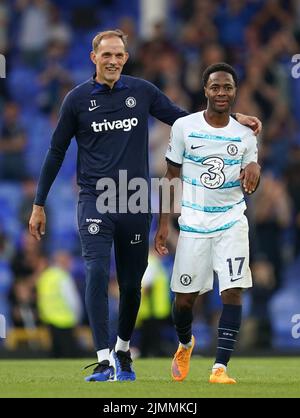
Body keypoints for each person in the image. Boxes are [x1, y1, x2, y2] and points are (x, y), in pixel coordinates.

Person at [29, 30, 261, 382]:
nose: (113, 60)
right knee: (95, 270)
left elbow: (185, 121)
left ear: (125, 57)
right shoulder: (76, 100)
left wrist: (233, 120)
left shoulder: (141, 91)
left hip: (135, 196)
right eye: (106, 54)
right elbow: (56, 151)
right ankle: (104, 358)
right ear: (94, 58)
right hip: (96, 197)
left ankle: (123, 350)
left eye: (119, 55)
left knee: (132, 283)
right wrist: (39, 203)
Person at [155, 63, 261, 384]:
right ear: (205, 91)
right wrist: (163, 225)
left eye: (227, 87)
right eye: (215, 87)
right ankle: (186, 343)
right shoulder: (185, 127)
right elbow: (171, 177)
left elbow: (251, 164)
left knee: (232, 290)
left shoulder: (245, 134)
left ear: (234, 91)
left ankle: (220, 368)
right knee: (184, 300)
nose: (221, 92)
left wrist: (255, 166)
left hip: (231, 222)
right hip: (193, 224)